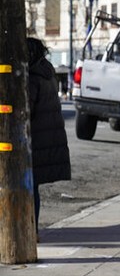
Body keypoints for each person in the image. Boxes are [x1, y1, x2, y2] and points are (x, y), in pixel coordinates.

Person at [27, 37, 72, 232]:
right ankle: (32, 229)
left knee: (27, 185)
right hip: (46, 139)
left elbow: (26, 110)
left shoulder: (32, 78)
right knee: (32, 186)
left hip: (35, 141)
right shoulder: (47, 74)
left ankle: (29, 231)